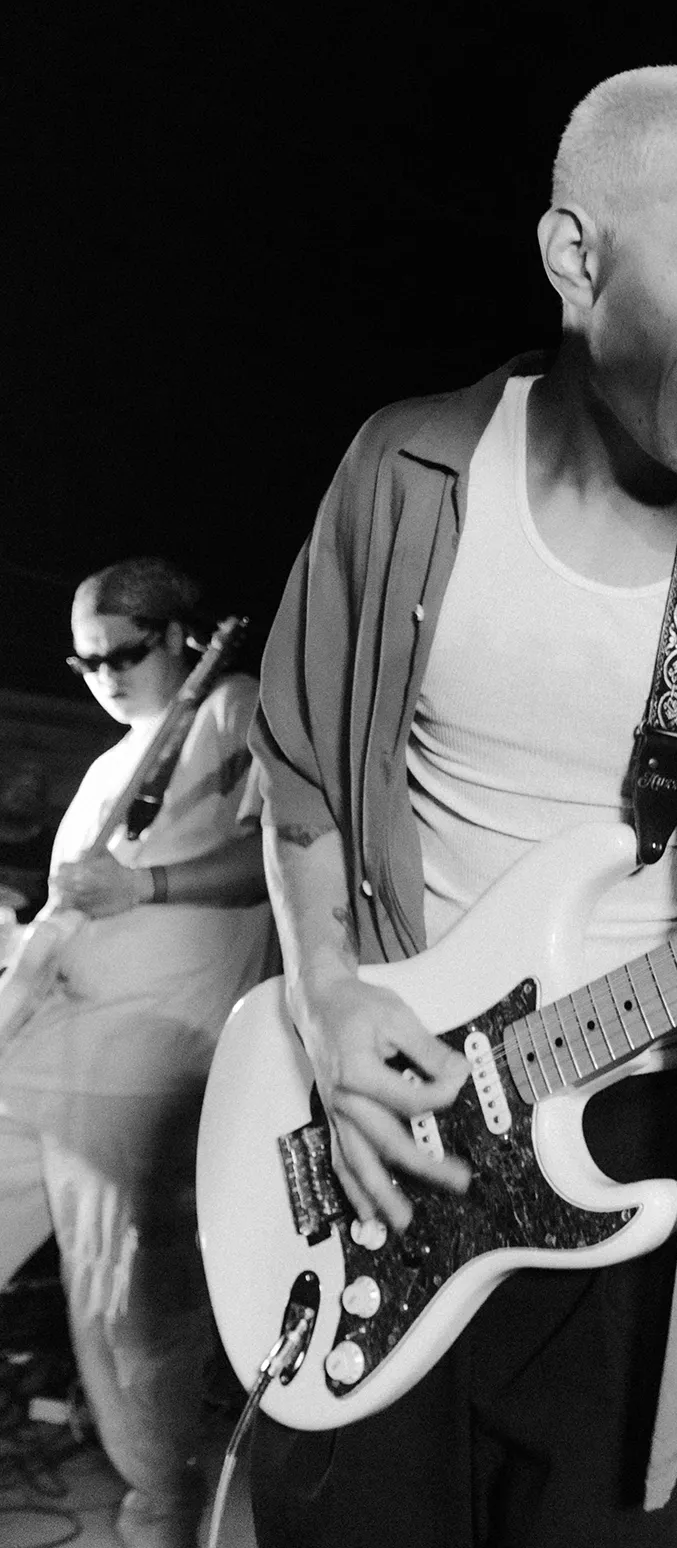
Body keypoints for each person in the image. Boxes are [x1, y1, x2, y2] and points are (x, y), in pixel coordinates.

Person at [247, 66, 677, 1547]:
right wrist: (331, 1001)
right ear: (576, 256)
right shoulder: (404, 471)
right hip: (384, 1145)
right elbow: (295, 771)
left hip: (659, 1168)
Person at [0, 557, 273, 1548]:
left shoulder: (233, 707)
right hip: (51, 1034)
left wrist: (146, 893)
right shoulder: (103, 765)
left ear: (181, 639)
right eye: (83, 661)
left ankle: (166, 1515)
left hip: (152, 1050)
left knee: (123, 1307)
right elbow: (72, 907)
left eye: (122, 651)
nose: (102, 674)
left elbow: (280, 852)